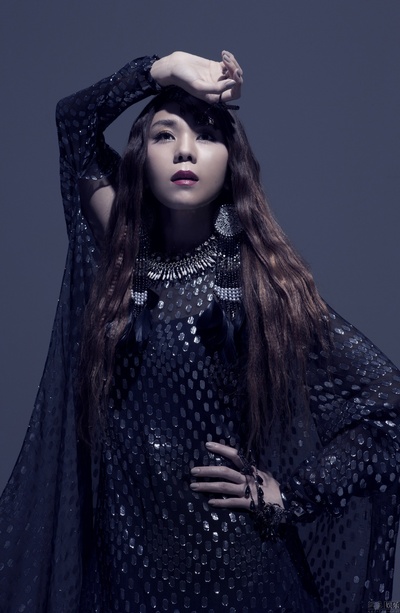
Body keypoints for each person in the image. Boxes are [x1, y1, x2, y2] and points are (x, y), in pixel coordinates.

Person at [0, 51, 399, 613]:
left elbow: (388, 411)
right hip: (126, 576)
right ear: (141, 157)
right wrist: (164, 68)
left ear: (232, 161)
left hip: (242, 579)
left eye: (206, 136)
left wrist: (290, 495)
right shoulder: (123, 248)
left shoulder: (261, 284)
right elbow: (74, 123)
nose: (185, 150)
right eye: (165, 135)